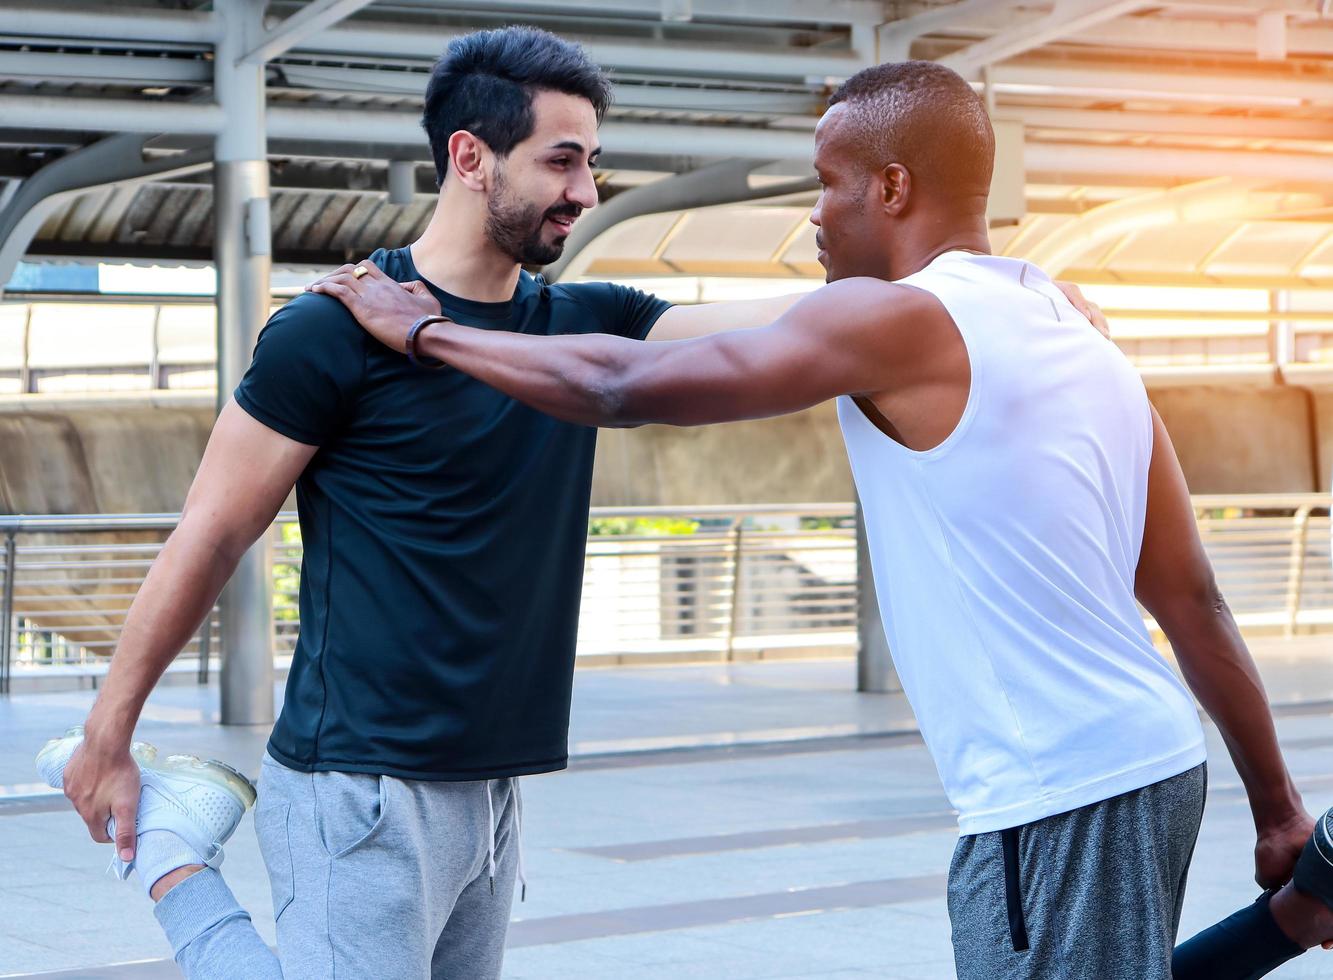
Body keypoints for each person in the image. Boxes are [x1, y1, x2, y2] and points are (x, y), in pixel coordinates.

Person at [34, 28, 1105, 980]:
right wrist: (106, 734)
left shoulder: (592, 322)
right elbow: (214, 530)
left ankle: (180, 850)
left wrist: (999, 290)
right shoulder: (329, 332)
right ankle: (175, 860)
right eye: (561, 159)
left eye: (590, 161)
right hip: (359, 778)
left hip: (492, 788)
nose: (586, 190)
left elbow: (802, 318)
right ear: (469, 156)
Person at [312, 60, 1333, 979]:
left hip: (1054, 790)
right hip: (1152, 762)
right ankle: (1296, 913)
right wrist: (1278, 805)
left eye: (828, 182)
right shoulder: (1073, 322)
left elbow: (625, 385)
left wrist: (428, 331)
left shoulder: (892, 319)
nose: (812, 215)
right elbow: (1190, 595)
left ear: (891, 187)